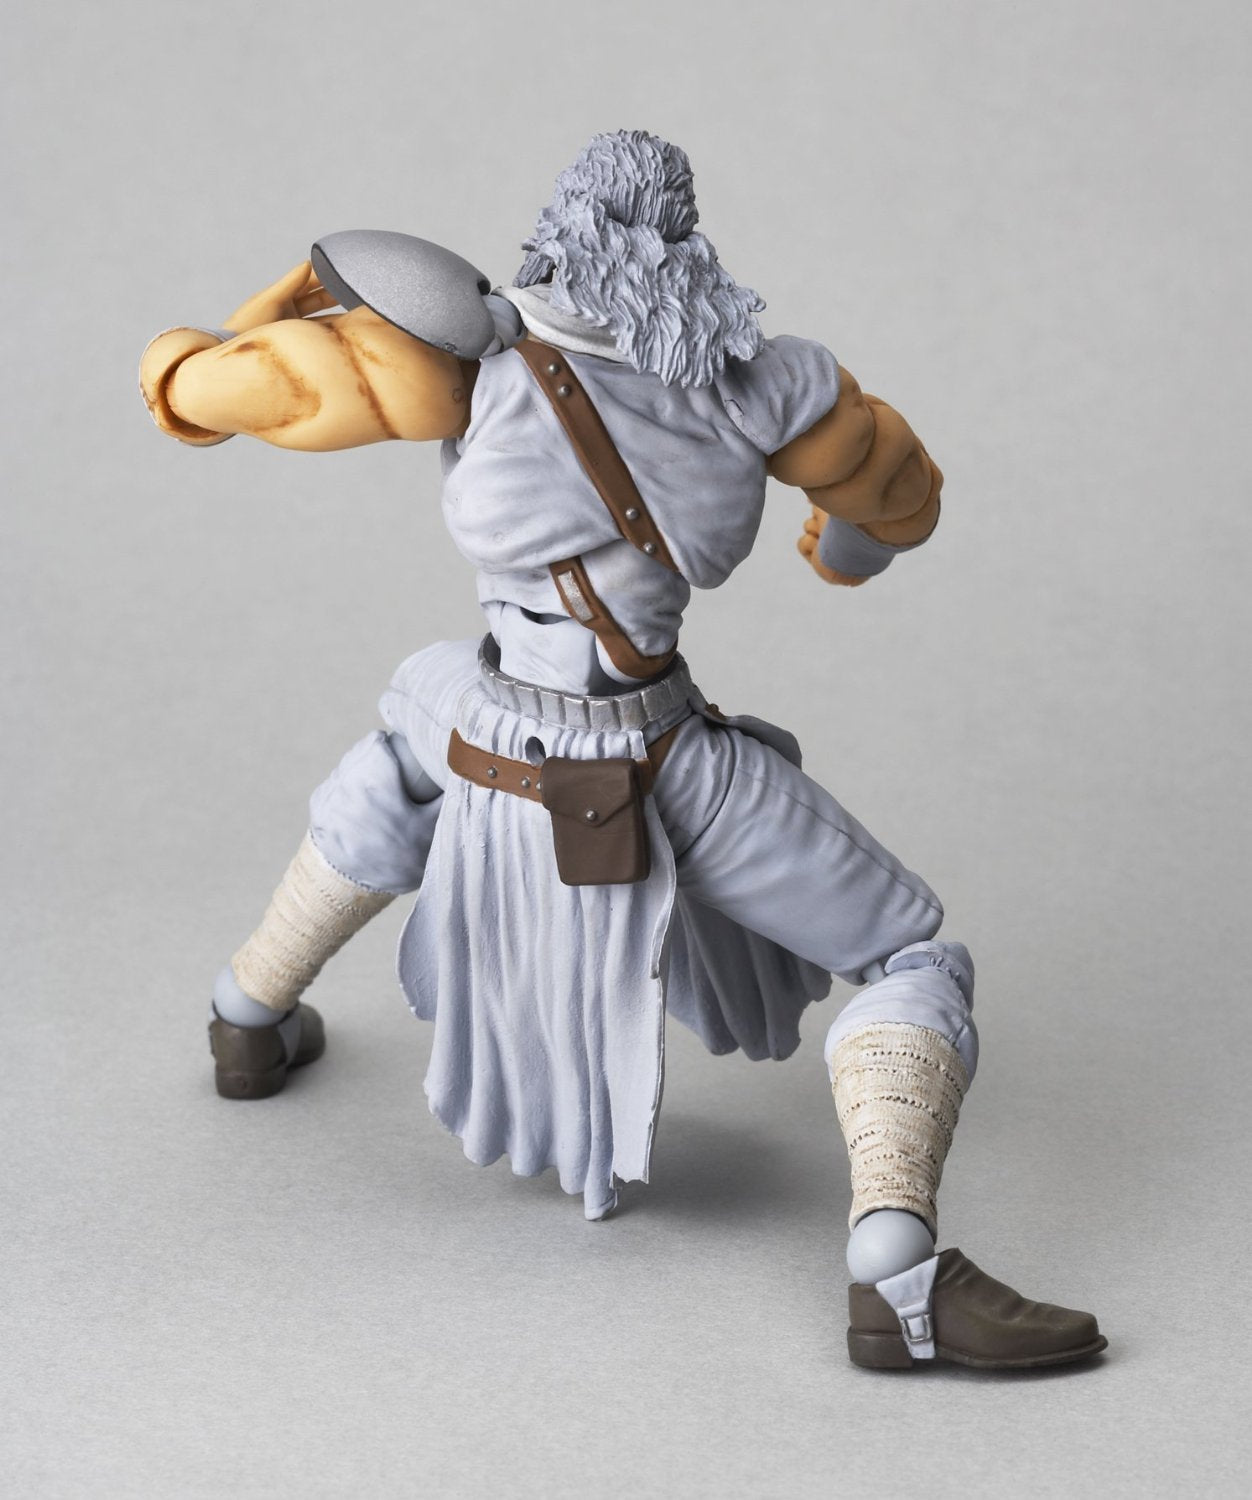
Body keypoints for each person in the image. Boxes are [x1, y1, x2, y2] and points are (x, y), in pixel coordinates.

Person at [139, 130, 1104, 1371]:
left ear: (560, 235)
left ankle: (245, 1016)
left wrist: (237, 323)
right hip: (653, 755)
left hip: (488, 730)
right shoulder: (766, 383)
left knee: (403, 756)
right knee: (911, 958)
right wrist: (844, 550)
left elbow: (227, 391)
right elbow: (892, 495)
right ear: (682, 244)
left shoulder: (462, 359)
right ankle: (895, 1275)